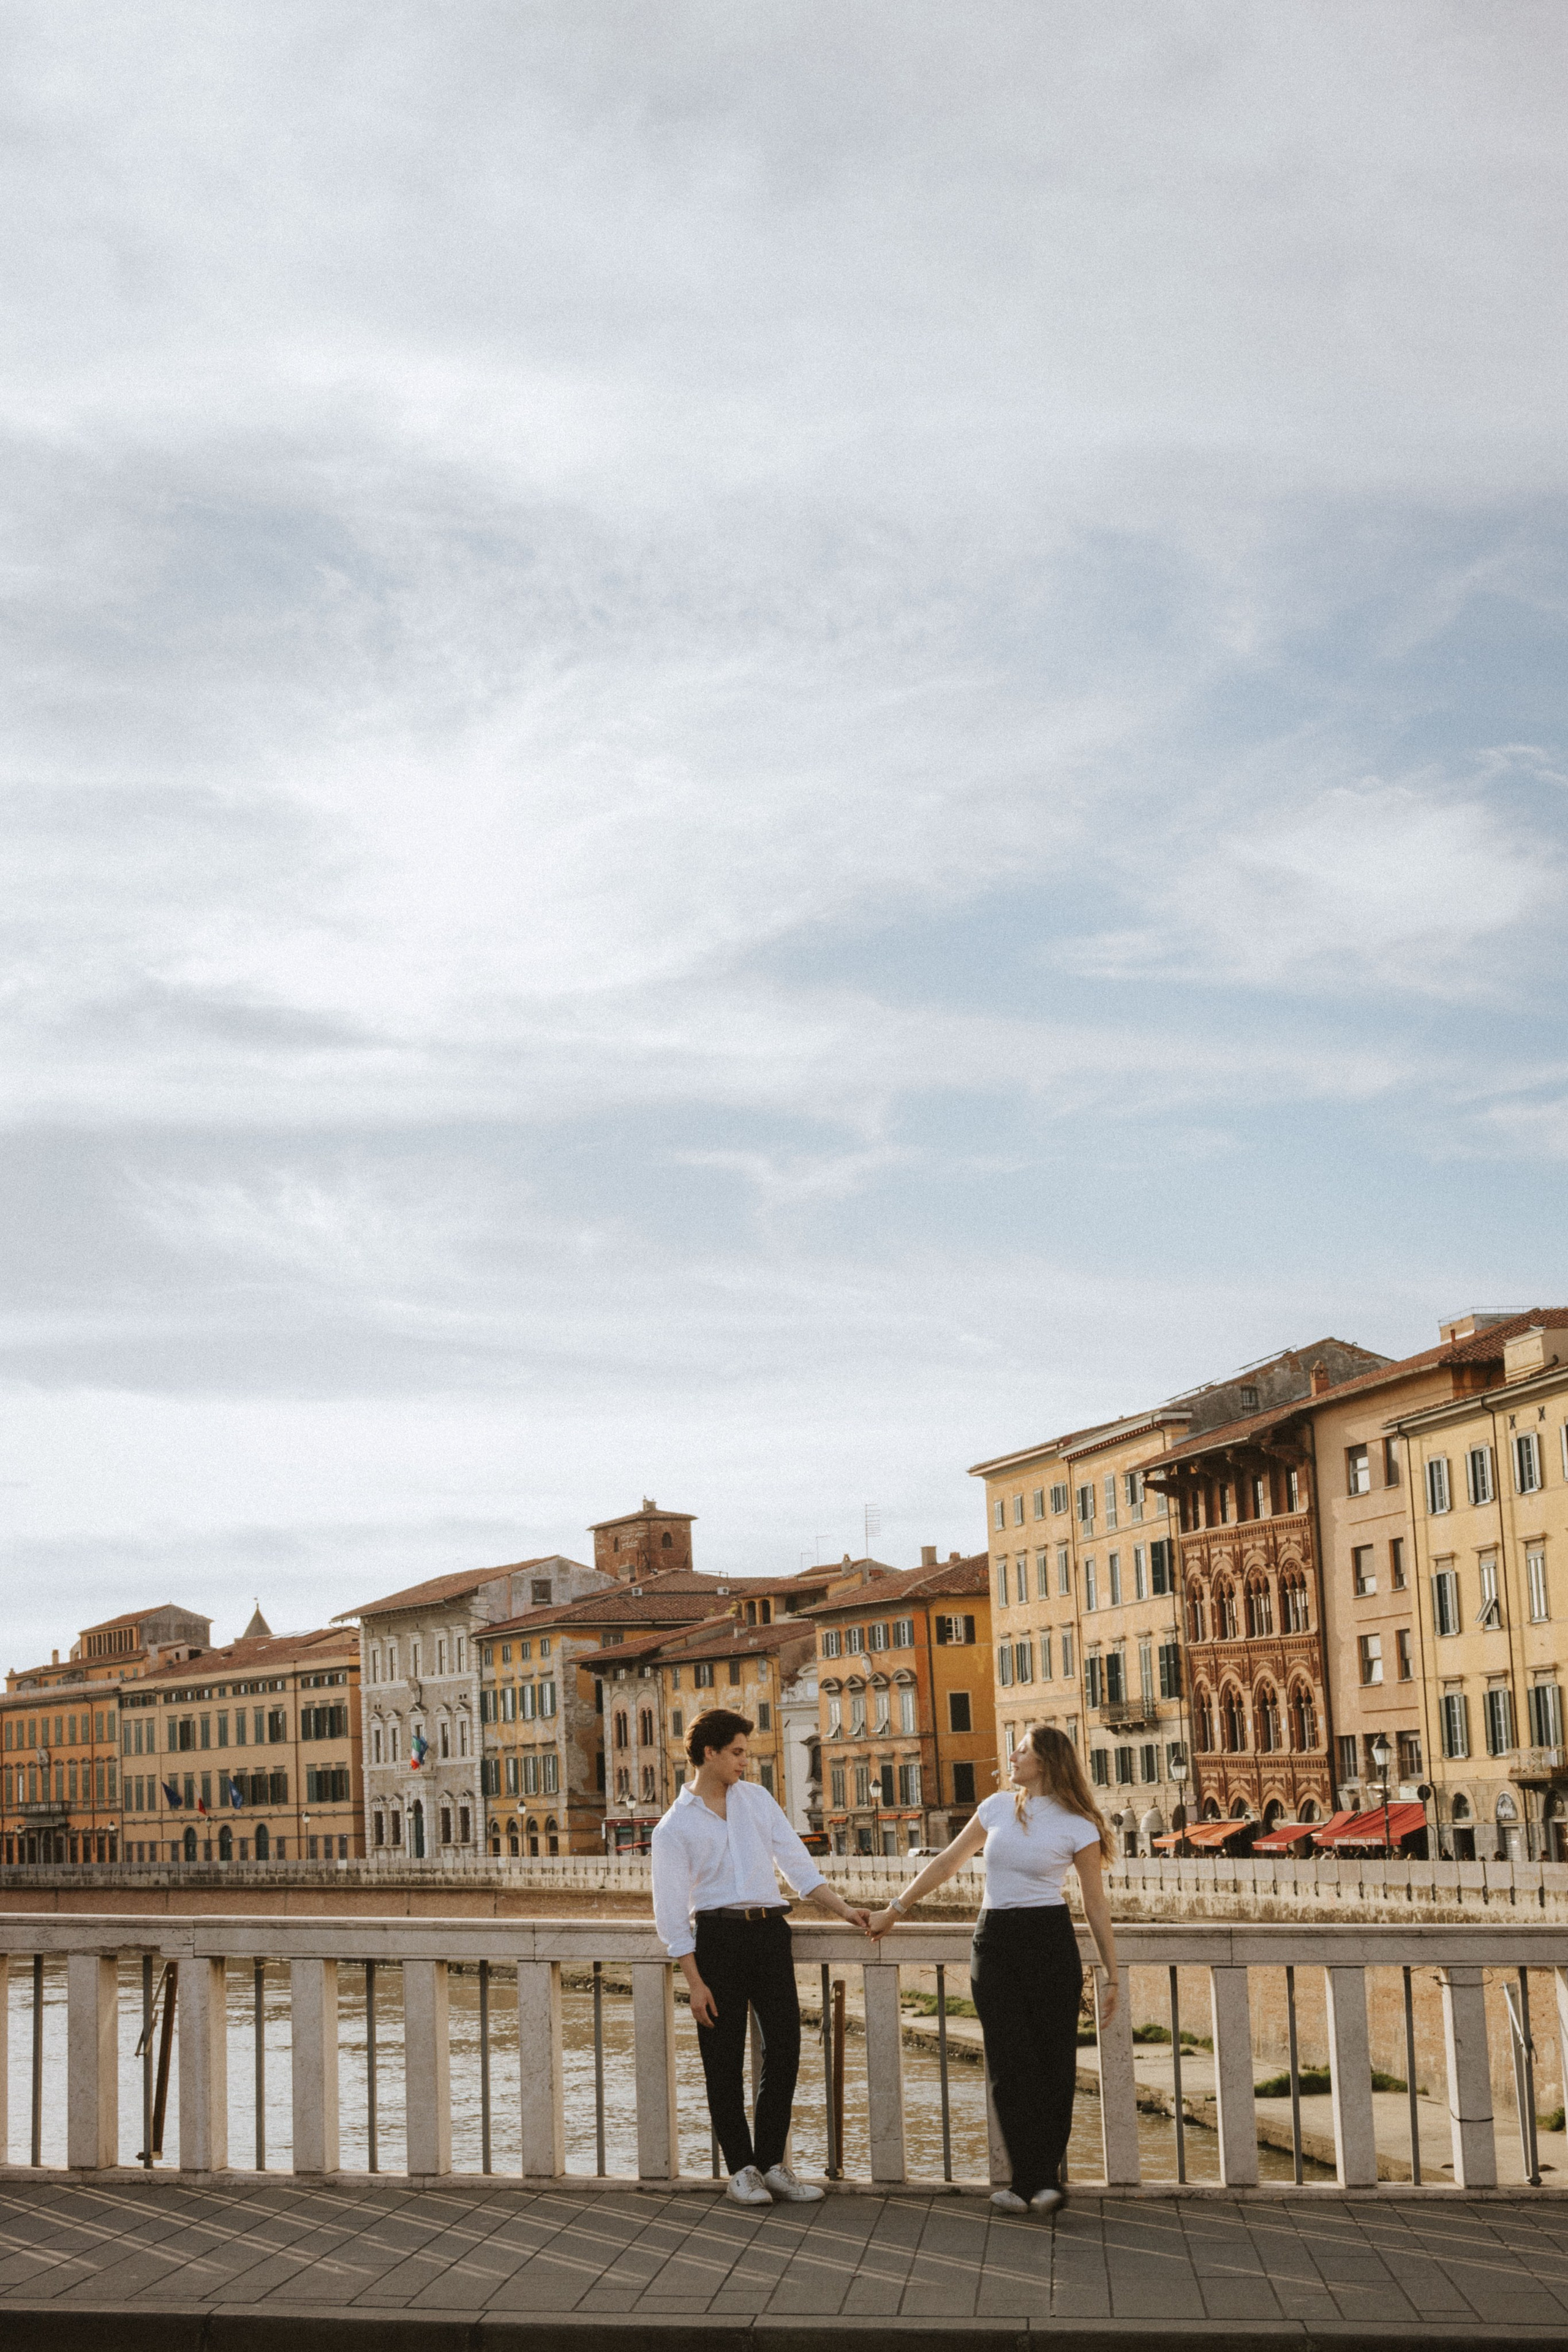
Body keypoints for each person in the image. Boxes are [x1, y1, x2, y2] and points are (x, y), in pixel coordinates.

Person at [868, 1722, 1118, 2216]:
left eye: (1021, 1750)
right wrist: (894, 1910)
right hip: (995, 1940)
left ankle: (1037, 2182)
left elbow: (1095, 1905)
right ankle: (1035, 2181)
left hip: (1050, 1942)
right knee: (1008, 2064)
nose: (1013, 1756)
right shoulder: (997, 1807)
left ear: (1045, 1761)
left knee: (1054, 2066)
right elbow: (947, 1862)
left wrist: (1112, 1973)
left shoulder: (1078, 1824)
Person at [652, 1706, 873, 2206]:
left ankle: (772, 2164)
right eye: (737, 1753)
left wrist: (845, 1911)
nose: (744, 1763)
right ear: (709, 1753)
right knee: (722, 2061)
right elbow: (669, 1915)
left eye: (745, 1754)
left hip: (771, 1933)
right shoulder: (672, 1828)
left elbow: (797, 1865)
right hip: (718, 1941)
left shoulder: (757, 1800)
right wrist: (694, 1981)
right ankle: (741, 2170)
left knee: (787, 2049)